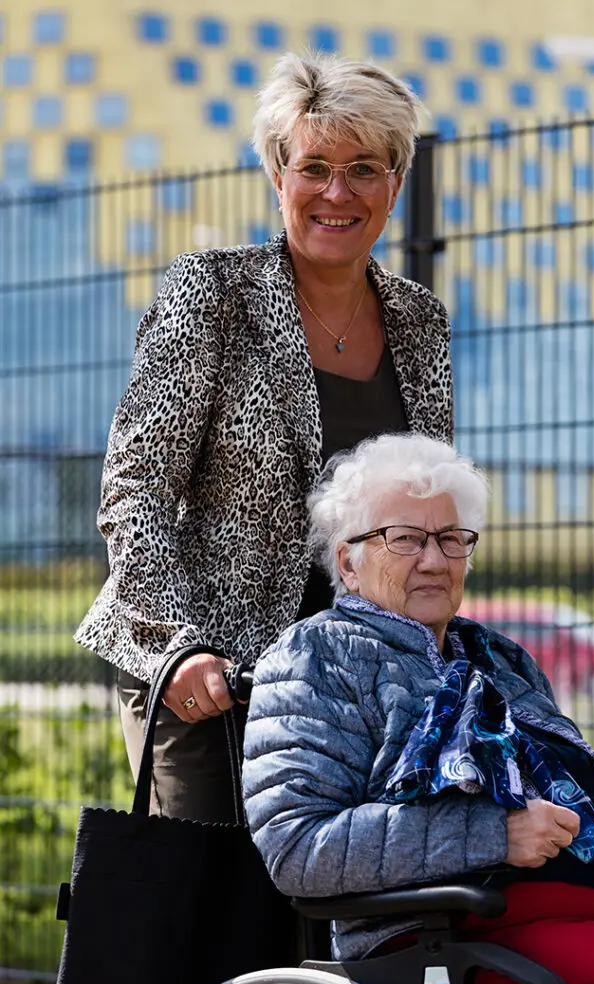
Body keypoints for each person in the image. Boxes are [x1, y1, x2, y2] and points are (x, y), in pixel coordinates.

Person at [74, 54, 454, 823]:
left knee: (341, 918)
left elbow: (424, 511)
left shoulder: (420, 321)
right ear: (279, 177)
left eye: (363, 169)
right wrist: (174, 645)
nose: (336, 193)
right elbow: (135, 486)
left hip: (355, 675)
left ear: (394, 183)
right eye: (313, 166)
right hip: (211, 671)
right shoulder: (210, 293)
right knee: (214, 915)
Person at [243, 432, 594, 984]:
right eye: (404, 539)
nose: (435, 559)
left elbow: (590, 816)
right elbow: (300, 846)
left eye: (451, 539)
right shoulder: (313, 657)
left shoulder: (500, 657)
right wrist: (494, 834)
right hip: (448, 932)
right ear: (348, 560)